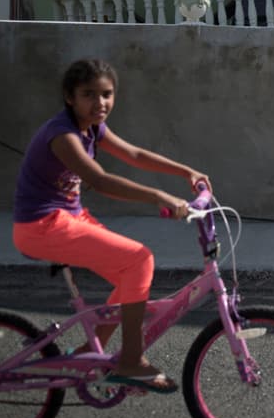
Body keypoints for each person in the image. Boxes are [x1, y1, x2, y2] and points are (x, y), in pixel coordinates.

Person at [12, 58, 209, 394]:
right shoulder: (63, 134)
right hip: (41, 225)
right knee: (139, 260)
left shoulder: (93, 127)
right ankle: (130, 362)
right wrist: (159, 196)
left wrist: (186, 172)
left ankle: (92, 353)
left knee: (129, 276)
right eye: (89, 94)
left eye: (107, 94)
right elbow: (99, 180)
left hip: (67, 217)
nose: (100, 103)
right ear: (70, 97)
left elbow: (133, 154)